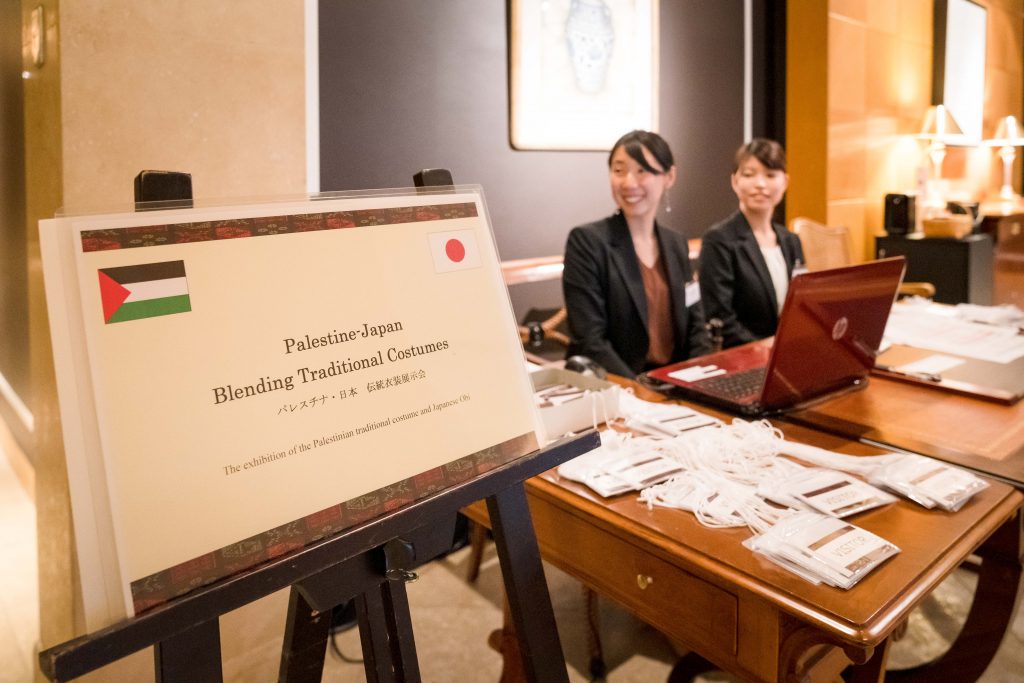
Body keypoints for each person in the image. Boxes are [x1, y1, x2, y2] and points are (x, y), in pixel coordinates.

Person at [562, 130, 711, 378]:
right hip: (617, 388)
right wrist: (640, 391)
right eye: (619, 171)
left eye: (642, 171)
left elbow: (696, 325)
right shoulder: (587, 241)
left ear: (669, 176)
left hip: (674, 384)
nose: (629, 183)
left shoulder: (676, 244)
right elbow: (590, 340)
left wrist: (697, 378)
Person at [699, 138, 805, 349]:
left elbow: (800, 306)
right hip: (742, 359)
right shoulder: (719, 240)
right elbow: (720, 319)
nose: (760, 184)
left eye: (770, 175)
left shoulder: (791, 241)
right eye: (749, 174)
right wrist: (768, 348)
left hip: (786, 354)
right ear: (734, 181)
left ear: (785, 182)